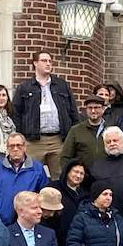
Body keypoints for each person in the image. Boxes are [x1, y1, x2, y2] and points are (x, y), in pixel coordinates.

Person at [13, 50, 80, 181]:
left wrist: (73, 136)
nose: (48, 64)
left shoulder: (61, 85)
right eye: (44, 61)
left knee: (61, 178)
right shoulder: (25, 87)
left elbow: (73, 111)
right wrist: (22, 137)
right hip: (33, 141)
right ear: (35, 63)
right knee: (29, 177)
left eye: (50, 61)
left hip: (58, 140)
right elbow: (16, 113)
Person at [0, 132, 50, 225]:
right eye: (11, 146)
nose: (15, 149)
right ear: (7, 148)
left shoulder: (37, 168)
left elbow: (43, 193)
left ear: (25, 147)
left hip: (28, 219)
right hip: (2, 218)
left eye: (18, 145)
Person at [60, 94, 109, 173]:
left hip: (105, 175)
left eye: (96, 107)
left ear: (103, 109)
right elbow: (66, 157)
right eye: (90, 108)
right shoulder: (75, 130)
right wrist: (68, 174)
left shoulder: (110, 130)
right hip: (82, 176)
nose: (93, 111)